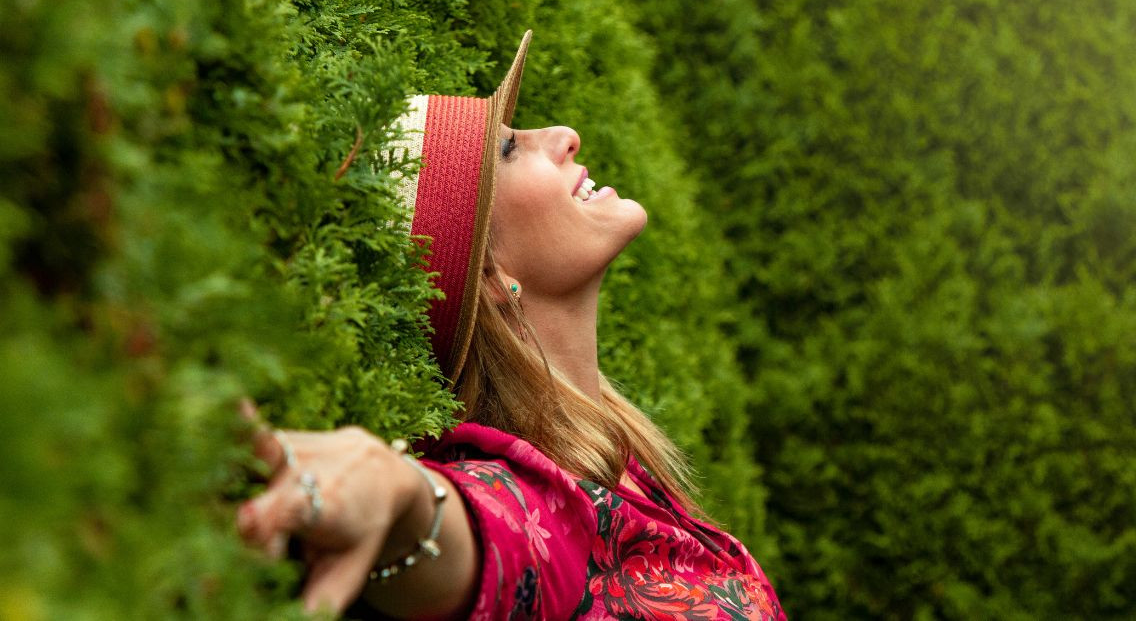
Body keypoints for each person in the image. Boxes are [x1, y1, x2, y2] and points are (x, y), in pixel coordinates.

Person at [236, 31, 785, 620]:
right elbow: (480, 532)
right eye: (509, 150)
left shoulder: (619, 461)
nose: (565, 136)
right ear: (491, 277)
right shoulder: (533, 502)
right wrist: (398, 497)